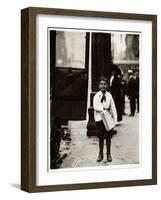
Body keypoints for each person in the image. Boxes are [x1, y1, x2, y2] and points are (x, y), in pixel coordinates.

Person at [93, 76, 117, 162]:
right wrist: (103, 108)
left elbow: (113, 108)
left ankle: (109, 154)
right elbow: (95, 106)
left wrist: (115, 119)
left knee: (108, 137)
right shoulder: (96, 96)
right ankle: (100, 153)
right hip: (99, 119)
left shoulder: (109, 95)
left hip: (108, 119)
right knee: (100, 137)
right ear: (99, 85)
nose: (103, 86)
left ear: (107, 85)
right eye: (101, 84)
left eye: (105, 84)